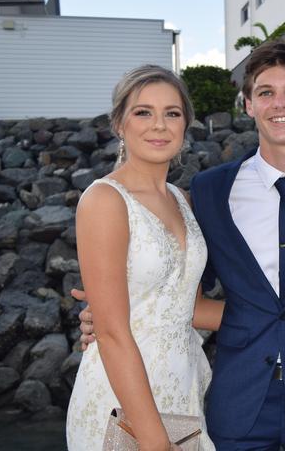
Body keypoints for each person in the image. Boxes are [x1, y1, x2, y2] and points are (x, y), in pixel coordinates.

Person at [77, 35, 285, 450]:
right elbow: (180, 289)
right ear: (248, 104)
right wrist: (113, 317)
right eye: (265, 93)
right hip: (238, 400)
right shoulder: (209, 192)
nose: (280, 104)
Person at [66, 65, 221, 451]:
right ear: (119, 123)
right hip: (123, 404)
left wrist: (284, 315)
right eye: (143, 112)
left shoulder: (182, 201)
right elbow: (112, 331)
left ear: (186, 124)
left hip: (182, 395)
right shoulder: (104, 201)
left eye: (172, 113)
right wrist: (153, 440)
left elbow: (191, 307)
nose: (160, 125)